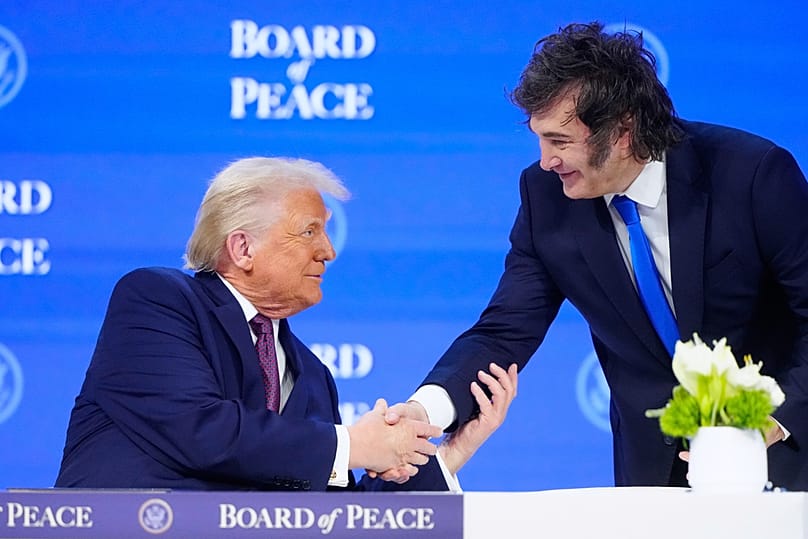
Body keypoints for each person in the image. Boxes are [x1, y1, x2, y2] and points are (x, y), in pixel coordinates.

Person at [386, 22, 808, 490]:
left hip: (780, 458)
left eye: (560, 141)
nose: (546, 160)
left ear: (623, 131)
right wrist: (426, 411)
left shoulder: (751, 175)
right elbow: (504, 332)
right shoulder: (546, 197)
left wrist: (769, 420)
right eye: (539, 139)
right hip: (649, 479)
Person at [55, 157, 518, 491]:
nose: (328, 251)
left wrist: (443, 454)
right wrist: (355, 444)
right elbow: (202, 430)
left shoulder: (313, 377)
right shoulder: (157, 300)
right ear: (242, 248)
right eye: (310, 230)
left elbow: (343, 518)